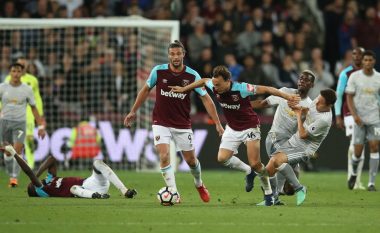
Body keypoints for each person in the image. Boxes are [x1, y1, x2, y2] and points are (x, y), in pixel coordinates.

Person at [169, 65, 300, 206]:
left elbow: (268, 89)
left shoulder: (242, 88)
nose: (215, 87)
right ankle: (248, 171)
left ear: (228, 81)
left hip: (250, 126)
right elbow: (202, 81)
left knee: (256, 163)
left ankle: (268, 195)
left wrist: (287, 96)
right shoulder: (213, 83)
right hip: (232, 128)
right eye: (214, 84)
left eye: (218, 84)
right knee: (222, 158)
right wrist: (184, 89)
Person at [124, 40, 224, 203]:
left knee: (191, 160)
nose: (175, 57)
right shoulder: (158, 71)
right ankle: (174, 192)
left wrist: (218, 124)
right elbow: (145, 89)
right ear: (168, 55)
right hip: (160, 121)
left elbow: (206, 99)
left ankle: (199, 184)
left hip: (182, 123)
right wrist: (133, 111)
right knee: (164, 156)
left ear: (184, 54)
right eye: (172, 54)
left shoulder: (192, 75)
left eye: (178, 53)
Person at [251, 70, 315, 204]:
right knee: (277, 166)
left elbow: (306, 130)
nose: (302, 81)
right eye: (301, 78)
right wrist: (243, 106)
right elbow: (263, 103)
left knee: (272, 172)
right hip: (275, 137)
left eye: (307, 80)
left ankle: (275, 197)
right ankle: (298, 189)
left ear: (312, 85)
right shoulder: (285, 92)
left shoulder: (309, 106)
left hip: (291, 143)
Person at [264, 89, 336, 205]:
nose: (316, 102)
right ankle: (274, 199)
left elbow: (303, 135)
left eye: (320, 102)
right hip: (293, 142)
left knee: (275, 161)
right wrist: (298, 108)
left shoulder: (324, 120)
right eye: (317, 99)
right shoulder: (318, 100)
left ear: (329, 105)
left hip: (304, 149)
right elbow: (308, 110)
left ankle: (299, 188)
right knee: (269, 169)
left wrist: (298, 115)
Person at [2, 144, 137, 198]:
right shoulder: (44, 189)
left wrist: (37, 174)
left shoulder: (50, 178)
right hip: (85, 191)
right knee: (73, 188)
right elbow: (28, 173)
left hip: (92, 182)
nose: (34, 182)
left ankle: (124, 190)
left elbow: (52, 159)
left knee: (97, 163)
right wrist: (14, 152)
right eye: (33, 184)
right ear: (37, 191)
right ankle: (98, 196)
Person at [0, 63, 46, 187]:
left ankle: (14, 178)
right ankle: (11, 174)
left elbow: (34, 108)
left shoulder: (27, 89)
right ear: (10, 72)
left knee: (18, 150)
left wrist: (41, 126)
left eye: (18, 71)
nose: (16, 74)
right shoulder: (2, 88)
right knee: (7, 152)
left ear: (22, 73)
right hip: (5, 123)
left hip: (20, 123)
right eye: (13, 71)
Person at [346, 50, 380, 191]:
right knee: (358, 152)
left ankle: (371, 183)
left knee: (374, 147)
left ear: (374, 62)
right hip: (359, 119)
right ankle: (353, 173)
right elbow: (349, 97)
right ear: (363, 61)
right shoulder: (354, 76)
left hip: (375, 119)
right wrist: (354, 115)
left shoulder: (378, 77)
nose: (367, 62)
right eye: (365, 60)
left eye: (370, 60)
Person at [335, 47, 365, 190]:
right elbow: (339, 95)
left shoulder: (370, 74)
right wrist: (338, 116)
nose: (357, 56)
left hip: (366, 114)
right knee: (355, 142)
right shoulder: (345, 73)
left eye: (360, 54)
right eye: (354, 54)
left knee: (360, 146)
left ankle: (357, 180)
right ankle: (352, 177)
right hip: (349, 113)